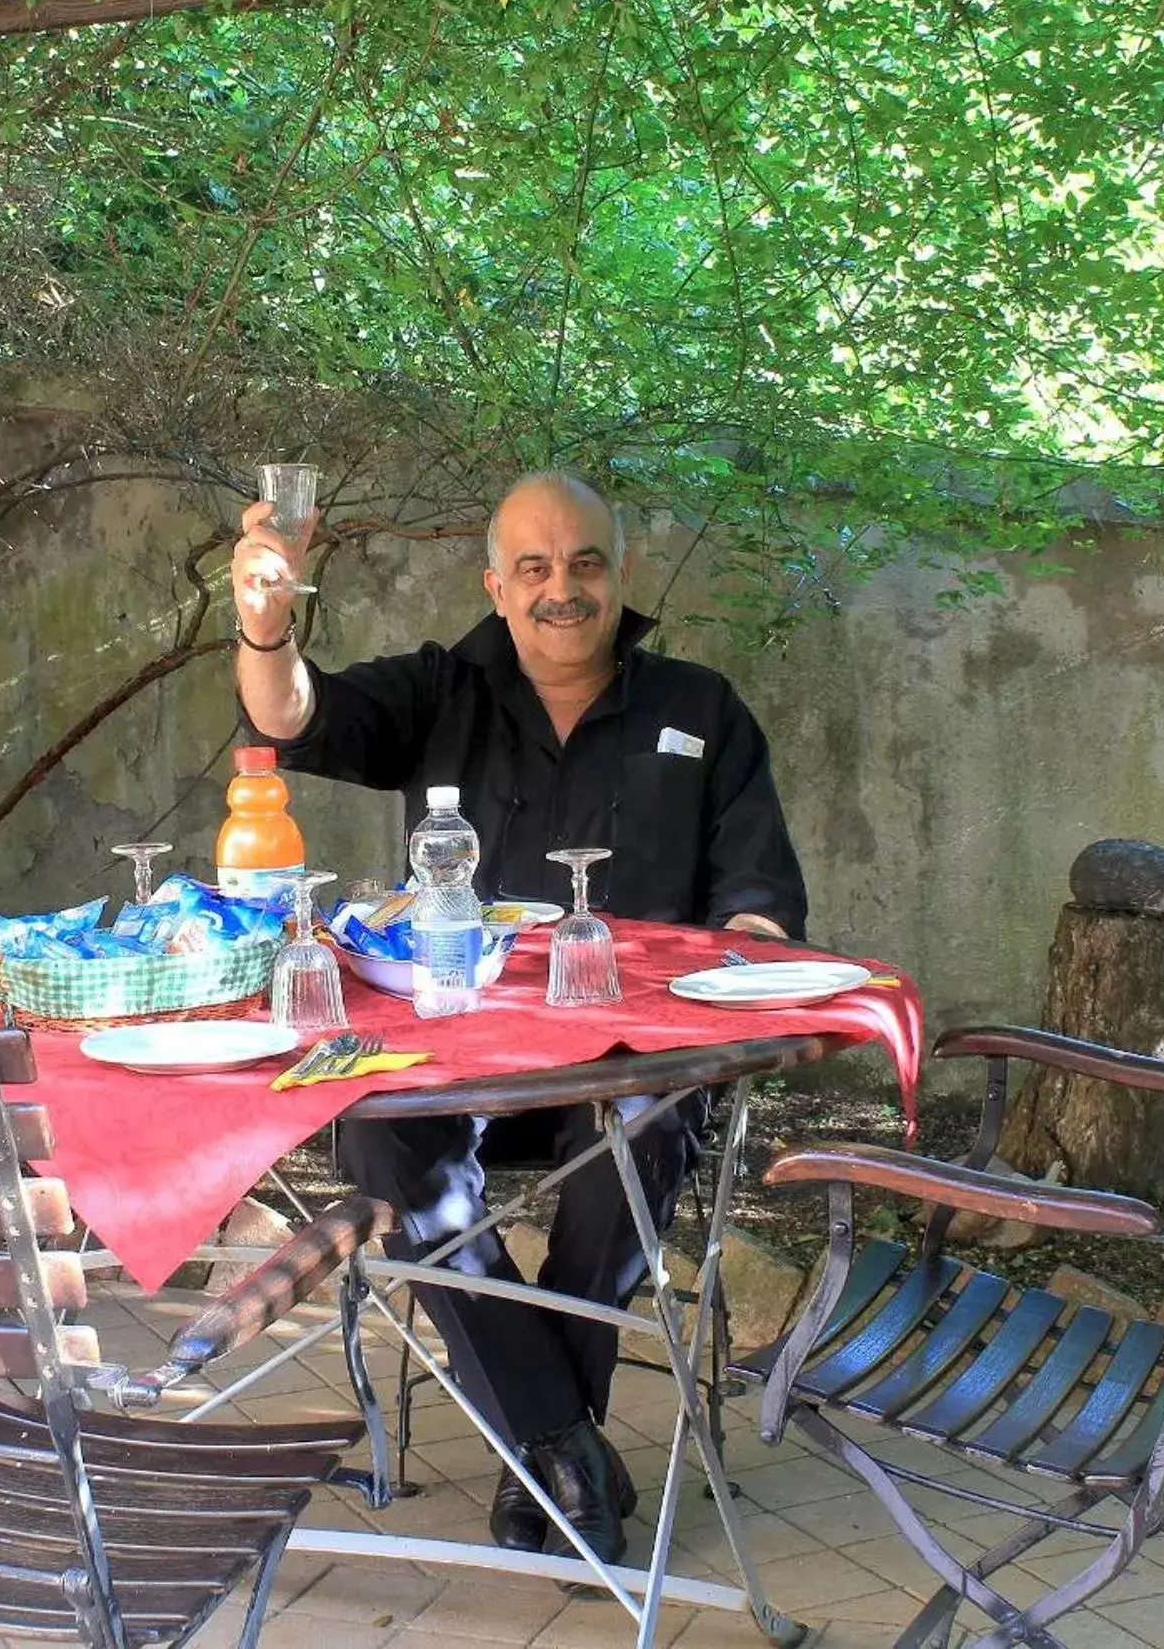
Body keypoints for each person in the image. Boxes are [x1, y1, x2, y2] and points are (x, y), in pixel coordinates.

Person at [231, 470, 807, 1569]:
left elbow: (759, 899)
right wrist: (265, 623)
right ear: (495, 584)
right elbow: (293, 715)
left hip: (627, 1062)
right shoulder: (440, 691)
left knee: (631, 1140)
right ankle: (560, 1439)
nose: (561, 588)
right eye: (533, 568)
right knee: (376, 1131)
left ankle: (538, 1447)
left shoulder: (699, 708)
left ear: (619, 570)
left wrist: (745, 954)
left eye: (584, 562)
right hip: (457, 1054)